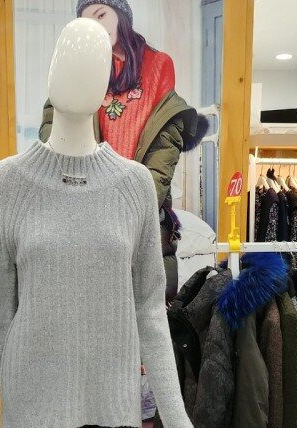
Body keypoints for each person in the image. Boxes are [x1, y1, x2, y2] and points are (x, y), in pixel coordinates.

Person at [40, 0, 208, 301]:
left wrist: (135, 206)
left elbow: (164, 141)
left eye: (101, 14)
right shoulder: (82, 68)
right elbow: (56, 134)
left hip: (141, 209)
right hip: (86, 209)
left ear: (121, 16)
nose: (98, 26)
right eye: (88, 21)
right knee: (87, 304)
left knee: (143, 307)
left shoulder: (158, 64)